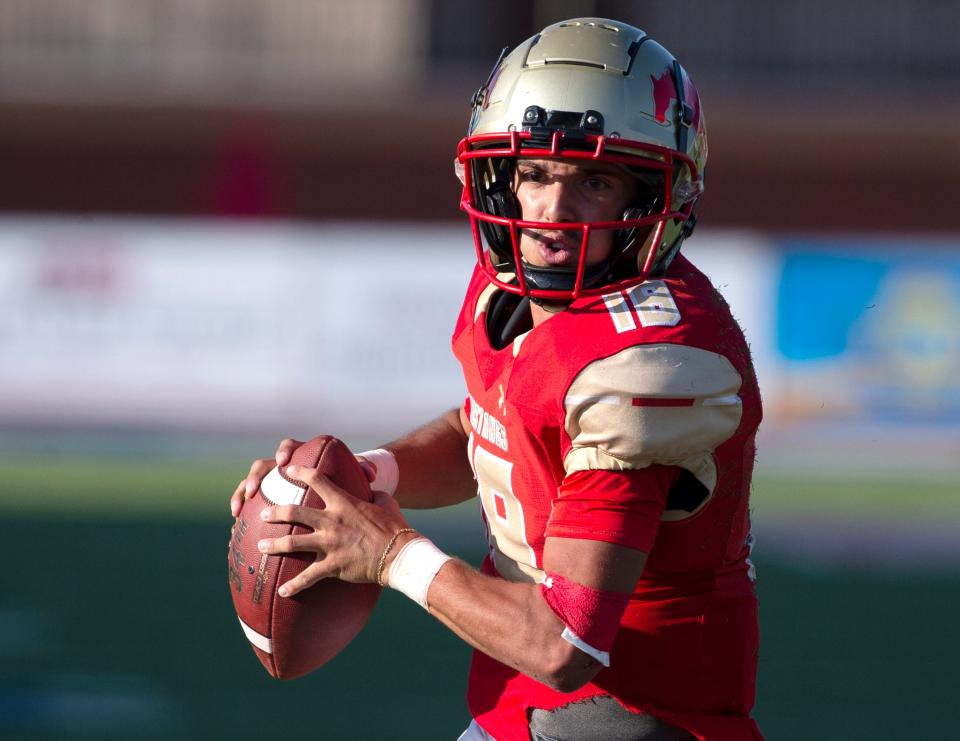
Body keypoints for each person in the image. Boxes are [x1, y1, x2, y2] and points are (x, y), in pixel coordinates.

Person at [231, 18, 763, 741]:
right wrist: (359, 480)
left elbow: (564, 643)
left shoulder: (650, 362)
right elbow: (488, 432)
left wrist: (391, 553)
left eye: (594, 181)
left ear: (652, 199)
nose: (552, 212)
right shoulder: (510, 289)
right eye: (535, 173)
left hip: (630, 718)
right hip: (522, 708)